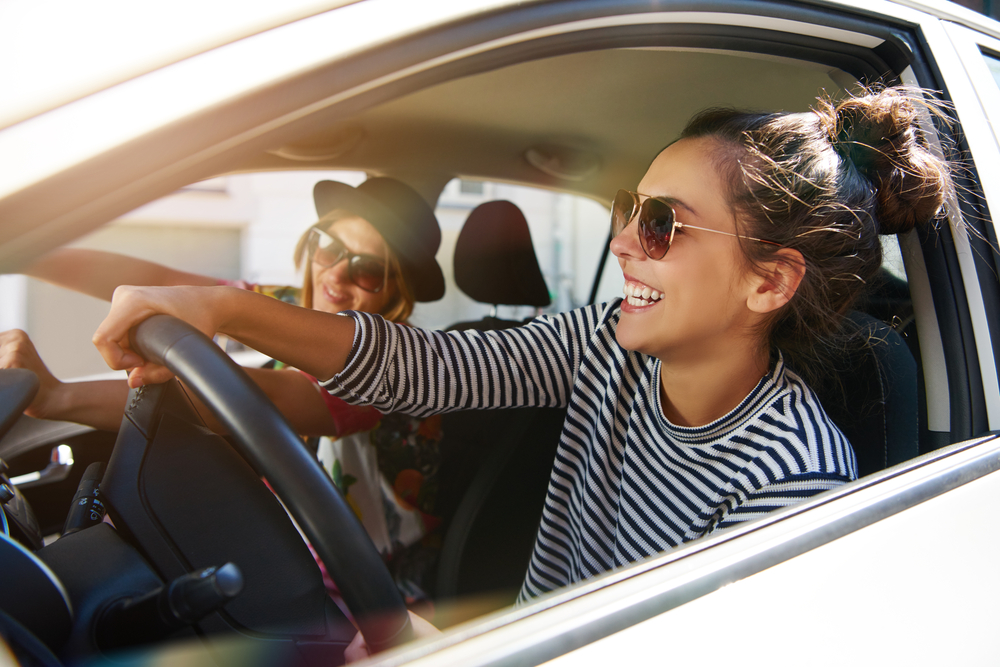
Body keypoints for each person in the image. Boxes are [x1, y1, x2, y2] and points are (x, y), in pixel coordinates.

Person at [91, 86, 952, 630]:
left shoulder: (794, 481)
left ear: (768, 281)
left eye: (661, 223)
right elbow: (423, 368)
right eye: (627, 208)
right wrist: (211, 306)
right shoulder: (603, 344)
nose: (622, 243)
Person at [2, 177, 449, 599]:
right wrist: (31, 252)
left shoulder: (396, 365)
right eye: (328, 247)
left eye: (367, 269)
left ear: (396, 292)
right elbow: (166, 285)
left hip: (365, 591)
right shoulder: (290, 304)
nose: (334, 276)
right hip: (283, 550)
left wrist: (58, 395)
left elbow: (261, 400)